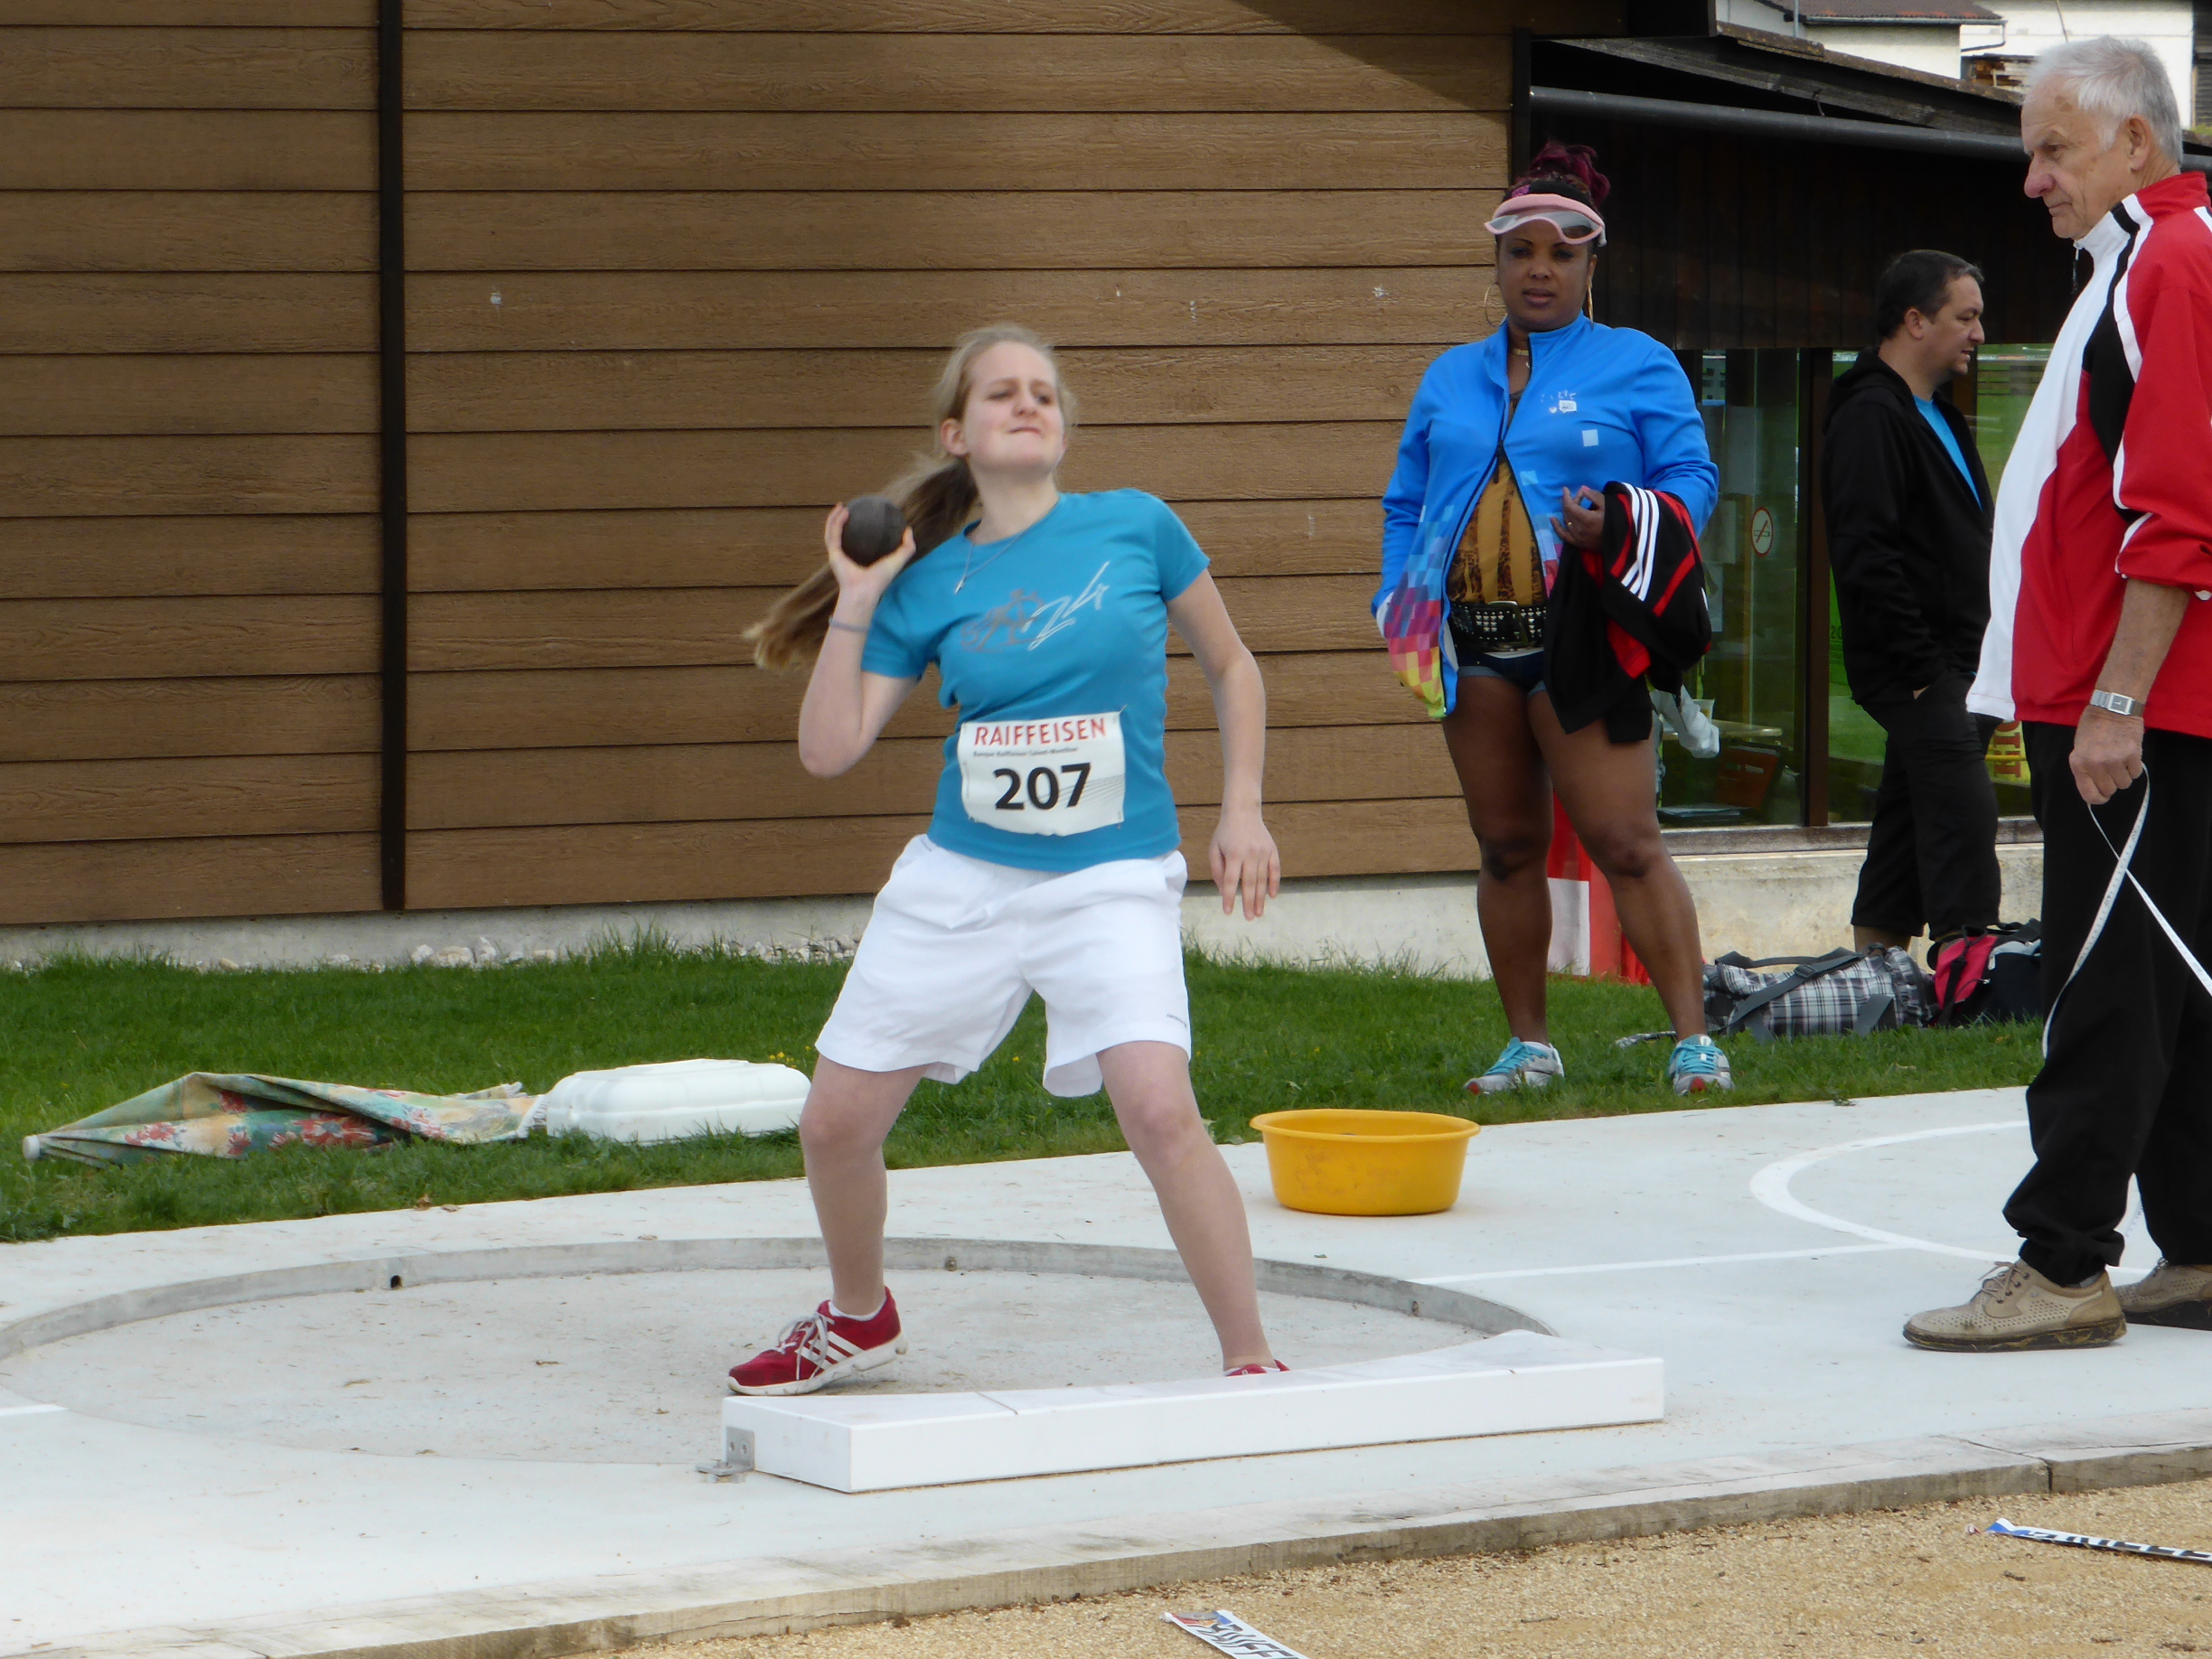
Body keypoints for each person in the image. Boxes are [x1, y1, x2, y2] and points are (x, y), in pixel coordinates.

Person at [734, 324, 1286, 1393]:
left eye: (1044, 391)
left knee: (1159, 1108)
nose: (1029, 403)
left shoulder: (1137, 526)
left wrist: (1244, 810)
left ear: (1063, 427)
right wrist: (858, 599)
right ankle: (858, 1318)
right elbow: (828, 751)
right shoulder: (929, 583)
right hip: (964, 879)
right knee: (833, 1125)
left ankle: (1252, 1360)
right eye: (1001, 394)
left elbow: (1231, 664)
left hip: (1110, 877)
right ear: (958, 435)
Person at [1907, 38, 2212, 1351]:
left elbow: (2178, 510)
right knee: (2172, 980)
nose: (2031, 178)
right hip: (2137, 699)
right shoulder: (2143, 262)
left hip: (2134, 706)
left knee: (2103, 981)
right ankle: (2204, 1246)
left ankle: (2064, 1261)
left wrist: (2117, 703)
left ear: (2137, 144)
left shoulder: (2169, 263)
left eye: (2052, 149)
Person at [1374, 142, 1729, 1098]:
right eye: (1521, 251)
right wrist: (1396, 601)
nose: (1540, 270)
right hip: (1470, 647)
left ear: (1590, 264)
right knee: (1505, 848)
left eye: (1561, 254)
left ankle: (1695, 1042)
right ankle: (1529, 1047)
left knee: (1626, 843)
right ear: (1496, 262)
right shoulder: (1450, 376)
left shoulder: (1638, 363)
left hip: (1585, 636)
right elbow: (1405, 502)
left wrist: (1619, 520)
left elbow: (1693, 477)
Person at [1823, 251, 2001, 957]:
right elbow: (1864, 554)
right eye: (1966, 317)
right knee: (1965, 814)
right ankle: (1971, 974)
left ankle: (1876, 976)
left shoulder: (1942, 417)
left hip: (1958, 661)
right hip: (1921, 667)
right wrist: (1923, 668)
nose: (1978, 334)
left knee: (1903, 824)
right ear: (1916, 320)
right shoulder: (1871, 414)